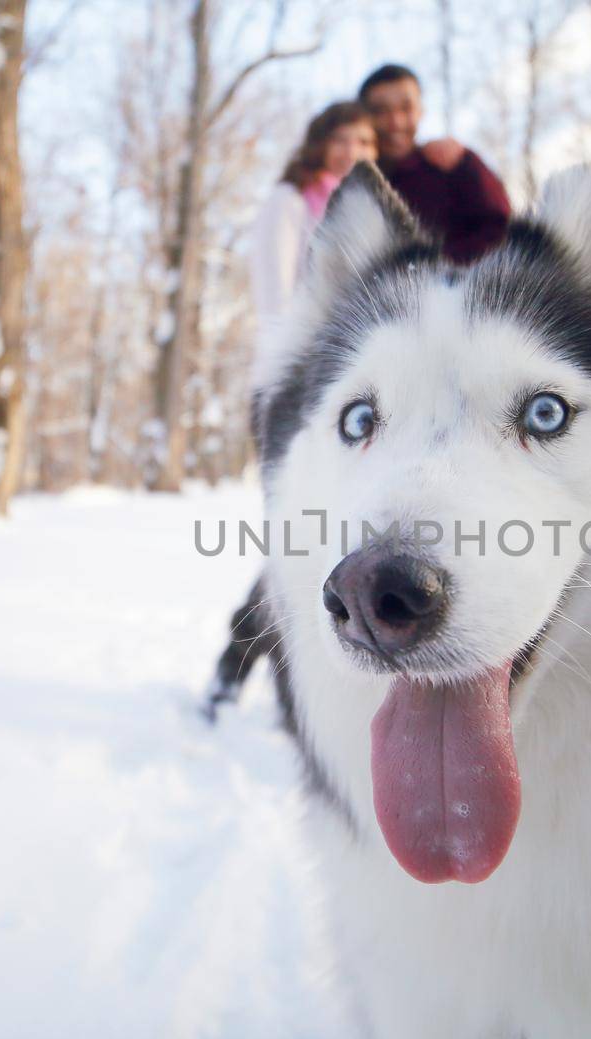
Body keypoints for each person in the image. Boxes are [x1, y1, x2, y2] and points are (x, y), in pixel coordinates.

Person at [204, 74, 512, 720]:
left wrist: (468, 162)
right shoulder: (300, 202)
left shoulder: (427, 174)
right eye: (349, 135)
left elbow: (492, 236)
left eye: (369, 137)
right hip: (310, 393)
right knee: (301, 540)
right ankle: (262, 675)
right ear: (321, 142)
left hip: (414, 393)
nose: (362, 146)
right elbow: (286, 308)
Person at [247, 100, 378, 394]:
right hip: (302, 362)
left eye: (364, 142)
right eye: (341, 140)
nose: (353, 152)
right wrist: (285, 366)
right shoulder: (290, 200)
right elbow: (274, 291)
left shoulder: (371, 212)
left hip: (353, 360)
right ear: (320, 145)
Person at [358, 63, 510, 265]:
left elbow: (502, 231)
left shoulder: (453, 164)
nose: (396, 122)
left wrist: (433, 265)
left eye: (406, 108)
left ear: (421, 110)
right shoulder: (349, 178)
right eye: (381, 111)